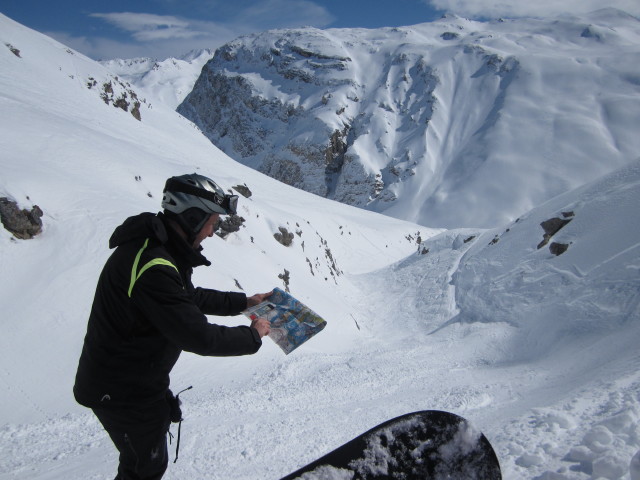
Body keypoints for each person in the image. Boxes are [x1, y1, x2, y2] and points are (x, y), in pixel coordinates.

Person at [73, 173, 271, 480]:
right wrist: (253, 335)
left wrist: (244, 302)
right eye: (211, 222)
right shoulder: (154, 264)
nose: (212, 231)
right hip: (122, 391)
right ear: (192, 217)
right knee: (144, 469)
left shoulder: (158, 249)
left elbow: (186, 297)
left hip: (131, 381)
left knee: (141, 465)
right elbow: (199, 336)